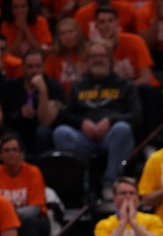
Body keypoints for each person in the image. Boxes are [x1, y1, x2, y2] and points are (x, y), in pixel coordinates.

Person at [52, 40, 141, 196]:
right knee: (60, 133)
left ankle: (110, 184)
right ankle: (81, 182)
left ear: (110, 60)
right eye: (93, 56)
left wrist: (110, 121)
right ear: (87, 61)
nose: (98, 60)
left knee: (122, 129)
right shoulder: (78, 86)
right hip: (85, 139)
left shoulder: (126, 86)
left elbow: (136, 116)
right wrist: (82, 123)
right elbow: (65, 115)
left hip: (113, 137)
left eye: (102, 56)